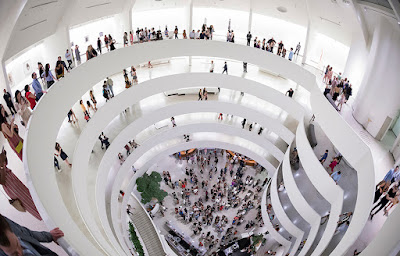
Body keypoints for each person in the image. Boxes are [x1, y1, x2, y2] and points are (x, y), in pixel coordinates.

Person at [0, 150, 42, 220]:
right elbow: (2, 181)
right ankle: (44, 216)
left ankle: (44, 212)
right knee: (28, 201)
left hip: (12, 179)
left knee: (30, 196)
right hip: (10, 186)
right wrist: (1, 165)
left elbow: (4, 165)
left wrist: (4, 157)